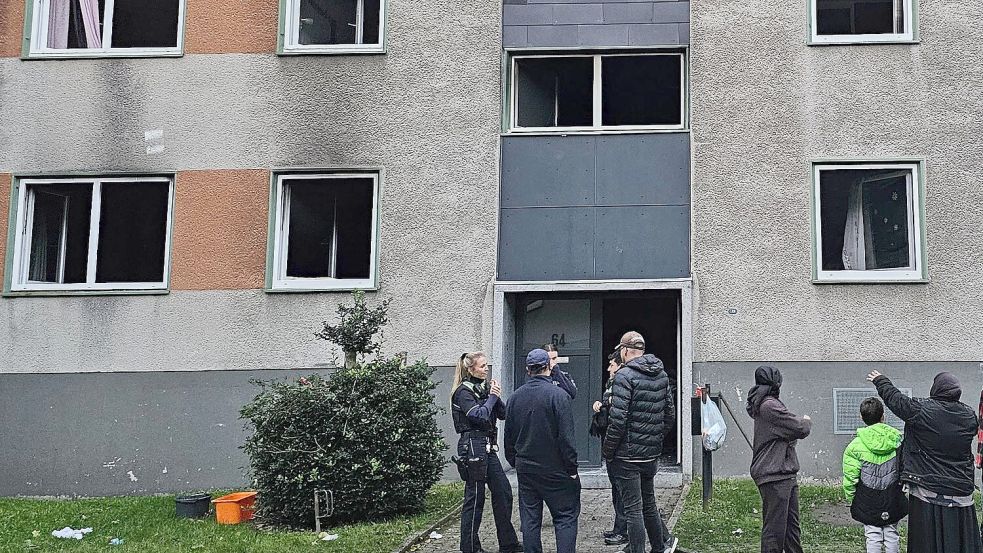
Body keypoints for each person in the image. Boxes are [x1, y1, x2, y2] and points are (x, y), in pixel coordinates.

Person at [869, 370, 982, 553]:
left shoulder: (922, 410)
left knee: (926, 542)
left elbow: (897, 401)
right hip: (959, 491)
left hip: (927, 489)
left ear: (936, 389)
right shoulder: (969, 416)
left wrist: (880, 380)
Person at [602, 331, 677, 553]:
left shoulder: (624, 376)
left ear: (624, 351)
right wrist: (654, 439)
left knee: (633, 509)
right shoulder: (661, 374)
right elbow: (669, 416)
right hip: (650, 455)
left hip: (626, 456)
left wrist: (608, 450)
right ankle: (659, 548)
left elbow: (617, 420)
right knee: (650, 503)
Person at [504, 349, 581, 553]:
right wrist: (571, 468)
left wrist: (517, 463)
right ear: (549, 367)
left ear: (528, 370)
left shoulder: (514, 398)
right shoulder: (559, 396)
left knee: (530, 521)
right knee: (565, 518)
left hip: (527, 469)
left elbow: (508, 440)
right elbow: (566, 439)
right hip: (556, 469)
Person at [451, 351, 522, 553]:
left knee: (503, 492)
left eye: (487, 365)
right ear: (470, 368)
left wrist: (495, 396)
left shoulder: (482, 389)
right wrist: (491, 397)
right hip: (472, 445)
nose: (486, 369)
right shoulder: (463, 392)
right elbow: (480, 416)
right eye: (482, 366)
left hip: (487, 448)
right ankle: (470, 547)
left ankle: (508, 544)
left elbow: (503, 413)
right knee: (475, 498)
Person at [746, 365, 811, 553]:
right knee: (774, 533)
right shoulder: (769, 406)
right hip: (774, 474)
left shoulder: (766, 403)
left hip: (783, 474)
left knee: (791, 531)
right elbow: (800, 428)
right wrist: (805, 420)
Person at [841, 397, 906, 553]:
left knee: (872, 534)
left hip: (867, 497)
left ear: (861, 417)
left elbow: (850, 477)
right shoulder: (897, 441)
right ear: (883, 416)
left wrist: (851, 498)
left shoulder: (854, 447)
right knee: (891, 533)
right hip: (892, 495)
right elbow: (904, 469)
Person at [591, 351, 628, 546]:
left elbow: (619, 417)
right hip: (614, 444)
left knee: (622, 490)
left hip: (619, 446)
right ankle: (619, 528)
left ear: (620, 366)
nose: (608, 369)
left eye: (612, 365)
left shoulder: (622, 385)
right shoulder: (611, 384)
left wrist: (609, 448)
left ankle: (623, 531)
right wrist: (601, 405)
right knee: (617, 488)